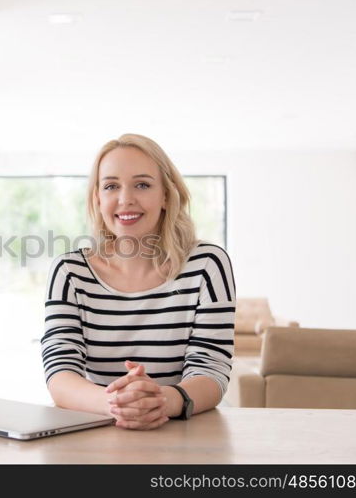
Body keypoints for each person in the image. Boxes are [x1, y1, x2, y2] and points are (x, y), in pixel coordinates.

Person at [42, 133, 235, 430]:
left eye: (142, 185)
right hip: (99, 433)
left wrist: (162, 400)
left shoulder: (207, 265)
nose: (125, 199)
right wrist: (118, 404)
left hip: (182, 436)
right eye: (111, 186)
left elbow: (211, 370)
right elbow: (60, 373)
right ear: (98, 198)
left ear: (166, 195)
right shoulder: (69, 271)